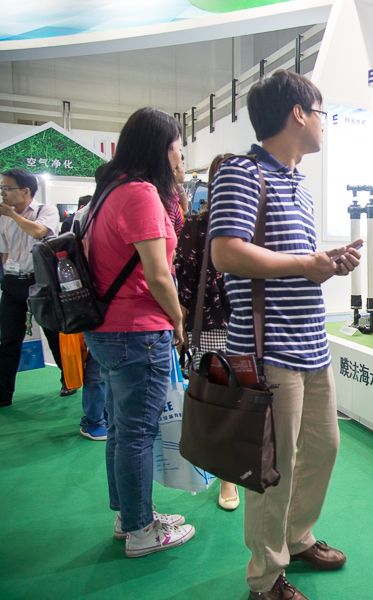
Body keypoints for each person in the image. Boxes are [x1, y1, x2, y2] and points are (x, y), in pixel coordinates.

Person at [209, 70, 361, 600]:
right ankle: (266, 576)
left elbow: (289, 263)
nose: (324, 124)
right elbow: (225, 253)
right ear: (298, 113)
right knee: (272, 469)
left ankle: (297, 537)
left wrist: (327, 264)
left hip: (311, 344)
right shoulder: (242, 173)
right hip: (267, 348)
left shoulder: (299, 185)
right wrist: (304, 263)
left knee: (323, 448)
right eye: (321, 113)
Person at [83, 107, 195, 558]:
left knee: (120, 429)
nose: (180, 156)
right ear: (161, 148)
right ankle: (141, 530)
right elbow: (158, 274)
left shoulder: (108, 191)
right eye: (178, 147)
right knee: (136, 433)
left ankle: (130, 515)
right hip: (137, 331)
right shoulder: (141, 193)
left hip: (107, 330)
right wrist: (179, 319)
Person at [173, 152, 239, 510]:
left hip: (253, 329)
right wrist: (181, 326)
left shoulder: (258, 224)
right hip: (213, 328)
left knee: (251, 401)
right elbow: (184, 283)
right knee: (220, 402)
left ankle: (242, 465)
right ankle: (227, 477)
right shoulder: (197, 226)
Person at [0, 168, 71, 407]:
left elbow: (40, 232)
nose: (3, 193)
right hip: (12, 282)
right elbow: (4, 251)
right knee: (9, 339)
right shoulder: (3, 216)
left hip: (40, 282)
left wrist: (12, 215)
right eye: (1, 188)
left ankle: (69, 379)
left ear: (25, 191)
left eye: (7, 188)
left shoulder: (45, 210)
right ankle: (3, 393)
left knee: (53, 333)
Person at [58, 194, 108, 440]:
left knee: (102, 368)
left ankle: (99, 417)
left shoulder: (86, 214)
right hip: (96, 301)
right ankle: (93, 420)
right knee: (97, 369)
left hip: (96, 301)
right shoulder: (90, 214)